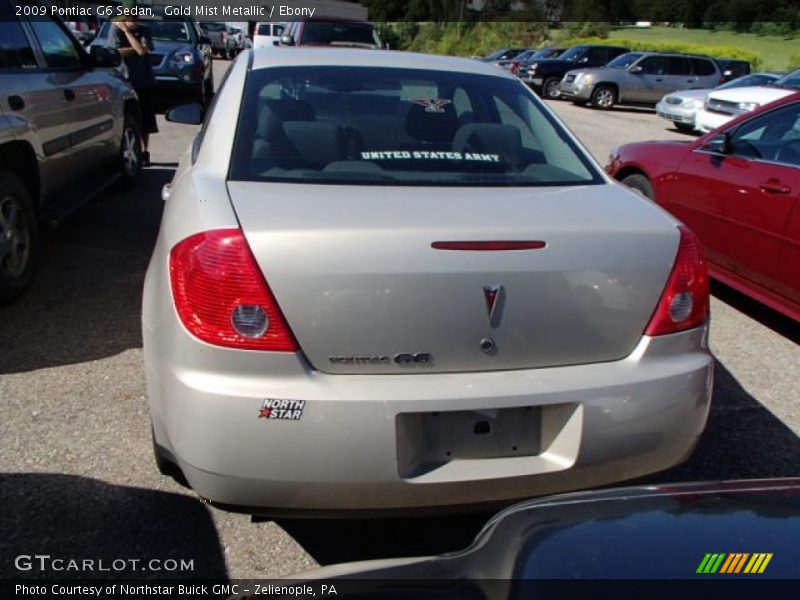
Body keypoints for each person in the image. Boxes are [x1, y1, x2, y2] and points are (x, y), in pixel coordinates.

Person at [107, 0, 157, 165]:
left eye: (136, 16)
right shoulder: (115, 30)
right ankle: (127, 151)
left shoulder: (145, 30)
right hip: (125, 82)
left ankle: (145, 151)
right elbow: (115, 53)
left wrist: (128, 34)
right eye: (130, 17)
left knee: (146, 119)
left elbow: (142, 51)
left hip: (144, 81)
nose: (134, 20)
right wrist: (133, 48)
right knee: (128, 119)